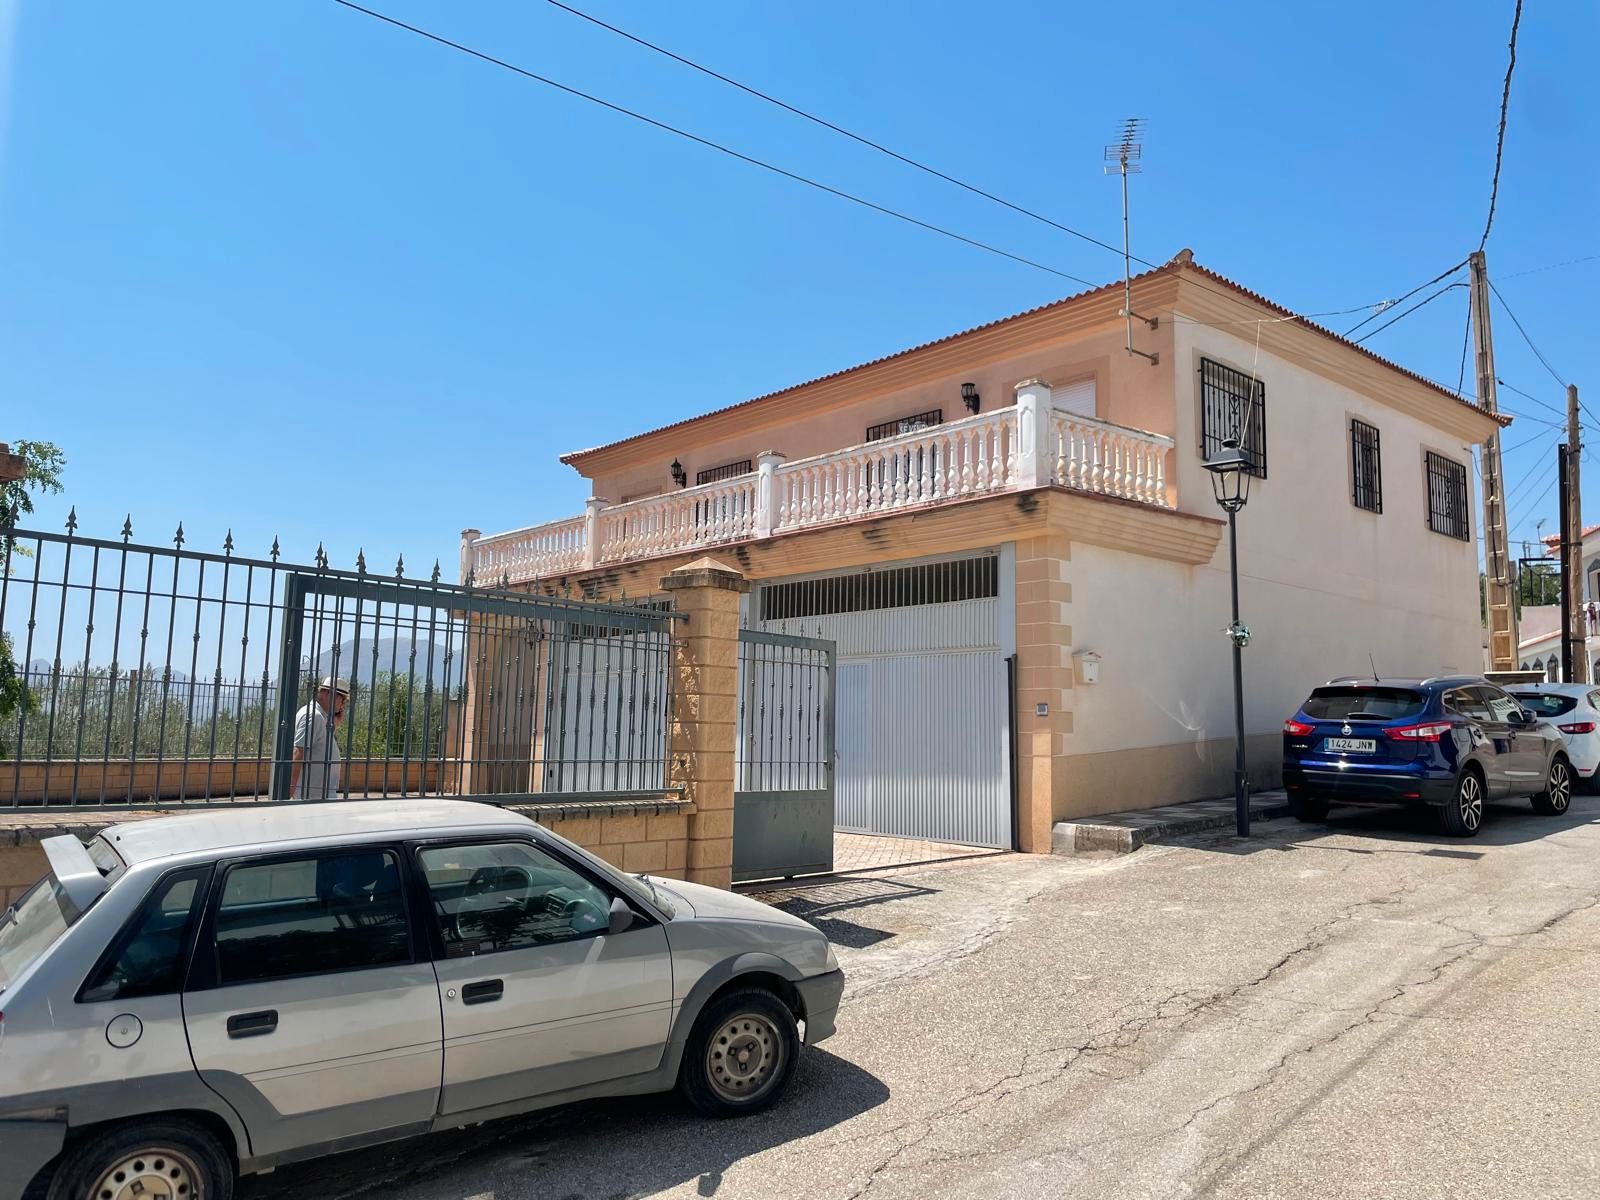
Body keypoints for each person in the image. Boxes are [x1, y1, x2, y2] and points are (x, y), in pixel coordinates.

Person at [289, 676, 348, 800]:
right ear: (329, 694)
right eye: (342, 699)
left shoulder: (320, 717)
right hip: (312, 796)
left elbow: (318, 746)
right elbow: (299, 750)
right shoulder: (314, 716)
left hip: (318, 794)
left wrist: (333, 728)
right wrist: (290, 789)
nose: (343, 705)